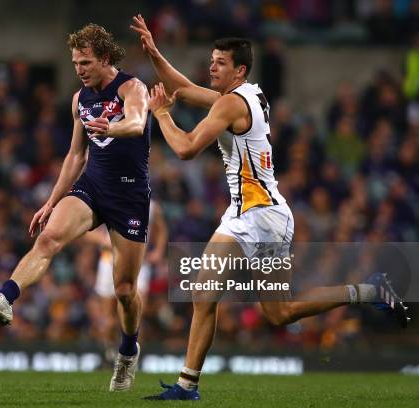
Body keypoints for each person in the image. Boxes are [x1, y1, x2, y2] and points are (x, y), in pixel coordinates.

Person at [130, 14, 410, 401]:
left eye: (220, 62)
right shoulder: (247, 95)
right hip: (255, 213)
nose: (212, 65)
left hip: (260, 218)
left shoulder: (230, 105)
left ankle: (186, 386)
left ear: (239, 69)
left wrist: (161, 114)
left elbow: (186, 149)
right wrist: (154, 51)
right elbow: (188, 88)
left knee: (250, 304)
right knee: (251, 305)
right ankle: (367, 290)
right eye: (211, 59)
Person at [0, 23, 151, 391]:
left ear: (103, 58)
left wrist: (109, 128)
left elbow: (136, 123)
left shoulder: (133, 87)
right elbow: (75, 154)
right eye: (74, 63)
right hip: (93, 187)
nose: (79, 69)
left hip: (129, 195)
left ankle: (128, 351)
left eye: (85, 62)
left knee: (124, 291)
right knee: (49, 237)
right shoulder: (79, 99)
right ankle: (4, 298)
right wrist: (51, 202)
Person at [86, 199, 167, 361]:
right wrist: (103, 241)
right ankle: (109, 354)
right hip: (109, 263)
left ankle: (132, 358)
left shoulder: (152, 206)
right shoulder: (105, 199)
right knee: (108, 318)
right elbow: (85, 230)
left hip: (139, 263)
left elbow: (161, 229)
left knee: (136, 314)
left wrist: (158, 251)